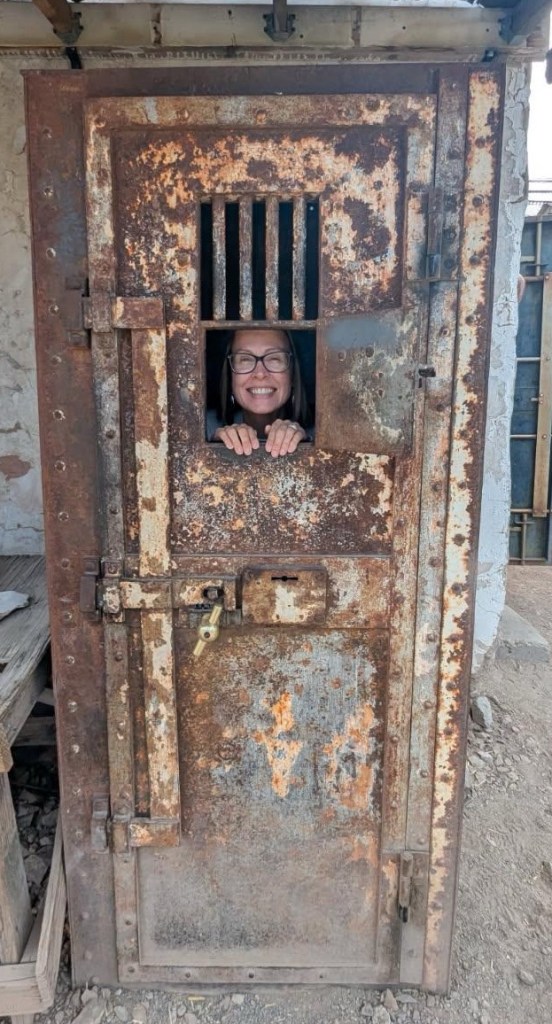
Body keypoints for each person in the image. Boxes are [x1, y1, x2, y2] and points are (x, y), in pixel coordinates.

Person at [210, 327, 310, 457]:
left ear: (292, 374)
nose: (260, 374)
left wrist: (307, 446)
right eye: (245, 359)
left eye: (274, 359)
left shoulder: (324, 432)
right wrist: (213, 449)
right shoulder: (200, 427)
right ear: (230, 376)